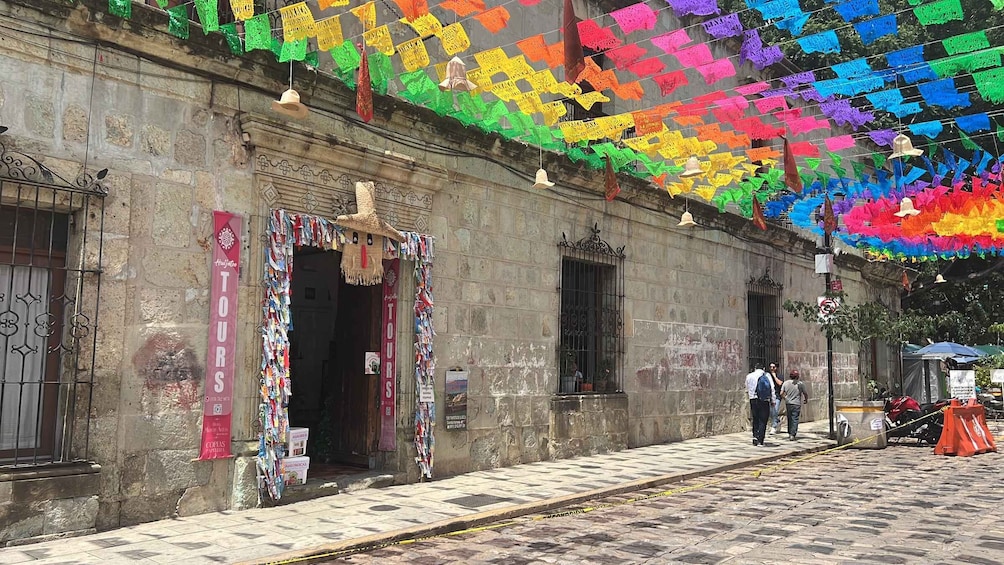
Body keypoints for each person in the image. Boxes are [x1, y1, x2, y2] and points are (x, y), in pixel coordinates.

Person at [745, 363, 773, 446]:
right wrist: (773, 400)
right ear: (763, 368)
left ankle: (755, 436)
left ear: (755, 368)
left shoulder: (749, 376)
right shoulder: (767, 375)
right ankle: (760, 440)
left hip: (753, 399)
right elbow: (772, 388)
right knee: (763, 420)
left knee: (755, 418)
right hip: (764, 400)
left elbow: (747, 387)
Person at [781, 369, 809, 440]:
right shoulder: (800, 384)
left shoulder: (786, 383)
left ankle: (790, 432)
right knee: (795, 419)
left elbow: (781, 393)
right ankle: (792, 434)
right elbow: (805, 393)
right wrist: (806, 399)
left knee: (790, 418)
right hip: (796, 404)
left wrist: (786, 398)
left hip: (788, 403)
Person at [767, 362, 784, 434]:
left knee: (775, 410)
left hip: (777, 396)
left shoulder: (779, 375)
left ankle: (774, 426)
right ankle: (777, 421)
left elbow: (780, 383)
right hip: (769, 396)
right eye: (770, 367)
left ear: (777, 368)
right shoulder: (768, 375)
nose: (772, 368)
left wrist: (774, 376)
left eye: (773, 367)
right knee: (770, 412)